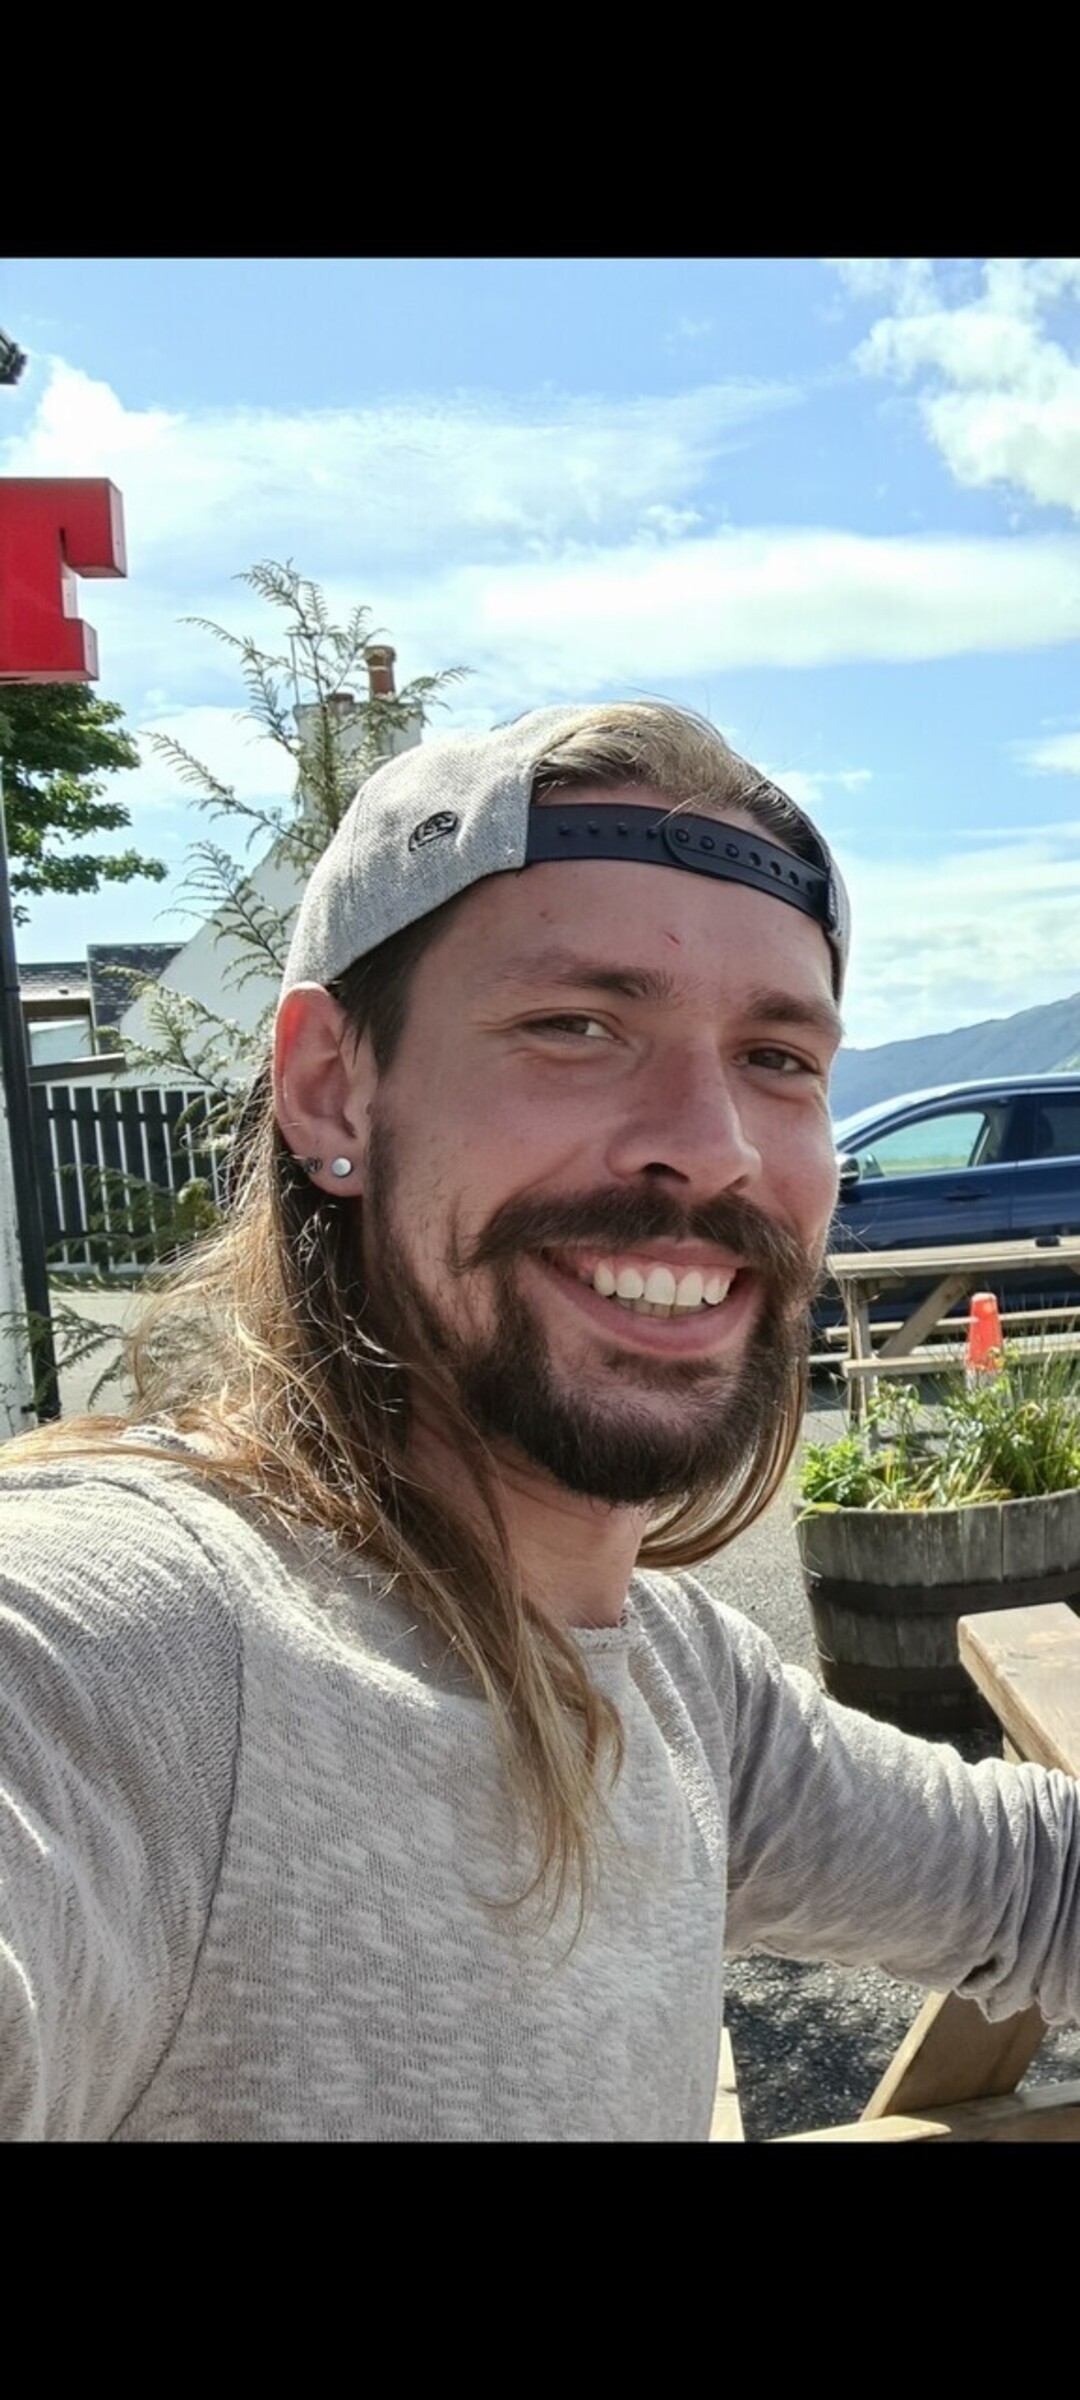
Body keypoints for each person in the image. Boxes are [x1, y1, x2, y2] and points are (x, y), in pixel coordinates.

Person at [2, 698, 1078, 2143]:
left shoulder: (681, 1684)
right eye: (575, 1026)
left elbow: (1037, 1885)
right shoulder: (135, 1661)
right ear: (332, 1090)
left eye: (778, 1057)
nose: (711, 1146)